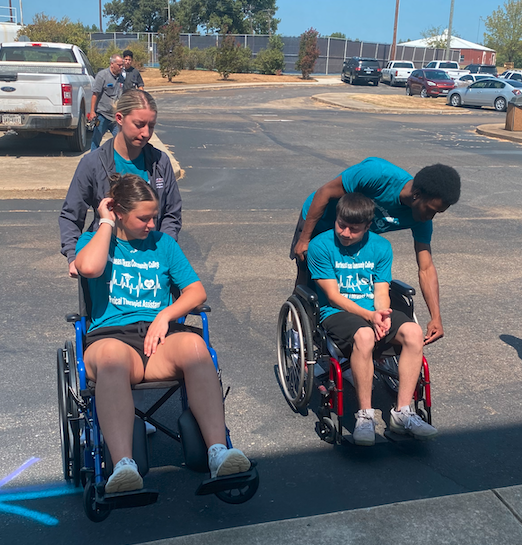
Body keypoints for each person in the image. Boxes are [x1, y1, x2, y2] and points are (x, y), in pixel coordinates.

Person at [75, 174, 251, 493]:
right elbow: (88, 269)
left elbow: (196, 292)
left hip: (158, 340)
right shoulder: (97, 240)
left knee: (196, 347)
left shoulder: (163, 245)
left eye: (154, 215)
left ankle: (218, 452)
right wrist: (104, 223)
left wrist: (166, 315)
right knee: (112, 359)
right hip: (111, 339)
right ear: (118, 212)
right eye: (144, 217)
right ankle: (123, 467)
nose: (152, 223)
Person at [307, 193, 438, 446]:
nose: (345, 233)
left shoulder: (380, 247)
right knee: (364, 335)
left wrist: (383, 315)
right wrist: (369, 317)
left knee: (412, 332)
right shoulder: (320, 246)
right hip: (337, 313)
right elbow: (333, 296)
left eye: (354, 229)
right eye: (341, 225)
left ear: (368, 227)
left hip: (372, 310)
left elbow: (380, 291)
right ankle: (365, 416)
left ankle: (402, 413)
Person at [291, 157, 461, 345]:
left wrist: (436, 317)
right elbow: (325, 192)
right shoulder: (377, 175)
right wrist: (304, 239)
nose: (431, 217)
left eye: (437, 213)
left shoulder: (422, 219)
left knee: (355, 282)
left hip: (358, 233)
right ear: (417, 195)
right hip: (321, 218)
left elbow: (426, 267)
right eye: (430, 210)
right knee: (308, 278)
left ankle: (345, 342)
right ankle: (298, 338)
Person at [59, 89, 182, 279]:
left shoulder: (160, 162)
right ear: (119, 118)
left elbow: (171, 214)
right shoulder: (92, 163)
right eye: (139, 125)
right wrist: (73, 255)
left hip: (152, 262)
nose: (146, 133)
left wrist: (163, 251)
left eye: (151, 126)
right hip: (108, 262)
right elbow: (71, 215)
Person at [90, 53, 125, 150]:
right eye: (119, 65)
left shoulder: (121, 78)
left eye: (122, 65)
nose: (121, 67)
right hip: (102, 115)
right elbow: (95, 94)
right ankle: (93, 161)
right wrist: (92, 112)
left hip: (115, 116)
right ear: (112, 64)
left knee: (121, 139)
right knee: (96, 140)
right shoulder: (102, 76)